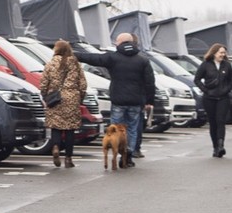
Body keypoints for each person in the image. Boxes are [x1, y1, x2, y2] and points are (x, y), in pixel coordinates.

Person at [90, 32, 156, 168]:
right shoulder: (143, 60)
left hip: (118, 101)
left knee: (115, 129)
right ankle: (128, 155)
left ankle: (116, 152)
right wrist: (150, 101)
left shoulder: (113, 58)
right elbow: (150, 82)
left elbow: (93, 58)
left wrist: (72, 54)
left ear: (121, 43)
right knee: (132, 129)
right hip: (136, 101)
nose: (115, 44)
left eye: (117, 42)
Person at [40, 39, 89, 168]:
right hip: (71, 97)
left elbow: (44, 83)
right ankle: (68, 158)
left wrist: (45, 97)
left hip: (55, 98)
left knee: (55, 127)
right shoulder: (75, 64)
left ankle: (55, 147)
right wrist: (80, 98)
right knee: (70, 130)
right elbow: (83, 84)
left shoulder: (50, 64)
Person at [193, 43, 232, 157]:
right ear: (214, 53)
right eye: (220, 52)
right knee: (213, 123)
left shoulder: (227, 65)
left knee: (221, 121)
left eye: (224, 53)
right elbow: (197, 79)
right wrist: (205, 90)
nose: (222, 55)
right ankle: (215, 147)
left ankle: (221, 146)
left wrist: (227, 90)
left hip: (223, 98)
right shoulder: (206, 65)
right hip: (209, 98)